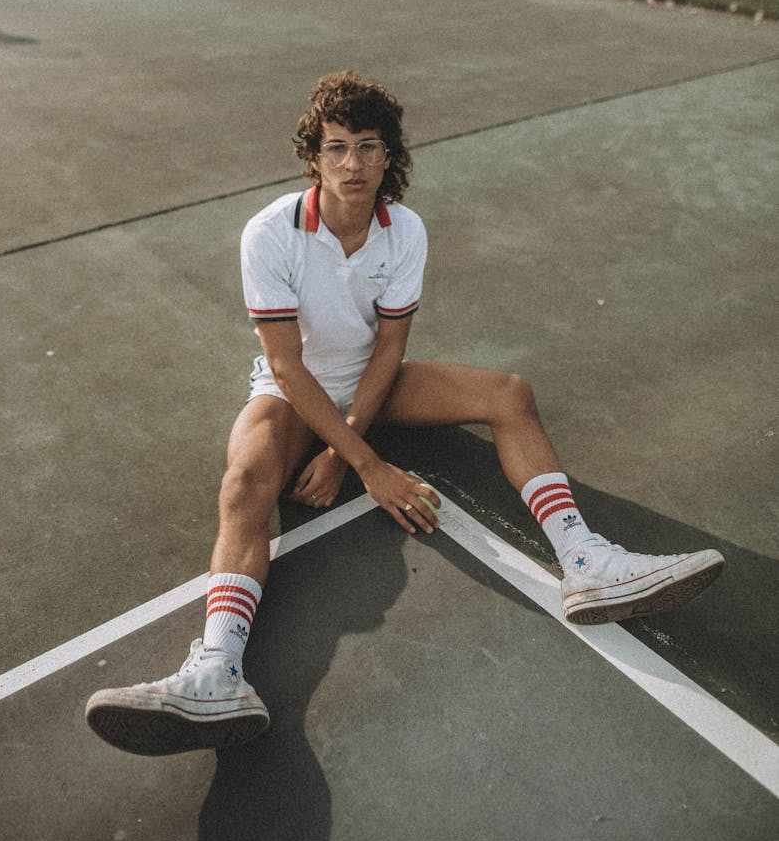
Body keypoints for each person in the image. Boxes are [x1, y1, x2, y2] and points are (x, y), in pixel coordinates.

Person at [86, 71, 724, 756]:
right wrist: (367, 465)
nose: (352, 164)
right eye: (336, 148)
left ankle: (586, 561)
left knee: (510, 393)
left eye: (368, 146)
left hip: (375, 383)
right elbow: (287, 368)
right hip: (292, 395)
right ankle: (217, 670)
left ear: (388, 155)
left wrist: (343, 454)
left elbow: (390, 348)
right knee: (244, 480)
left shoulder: (405, 230)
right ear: (313, 157)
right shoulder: (269, 233)